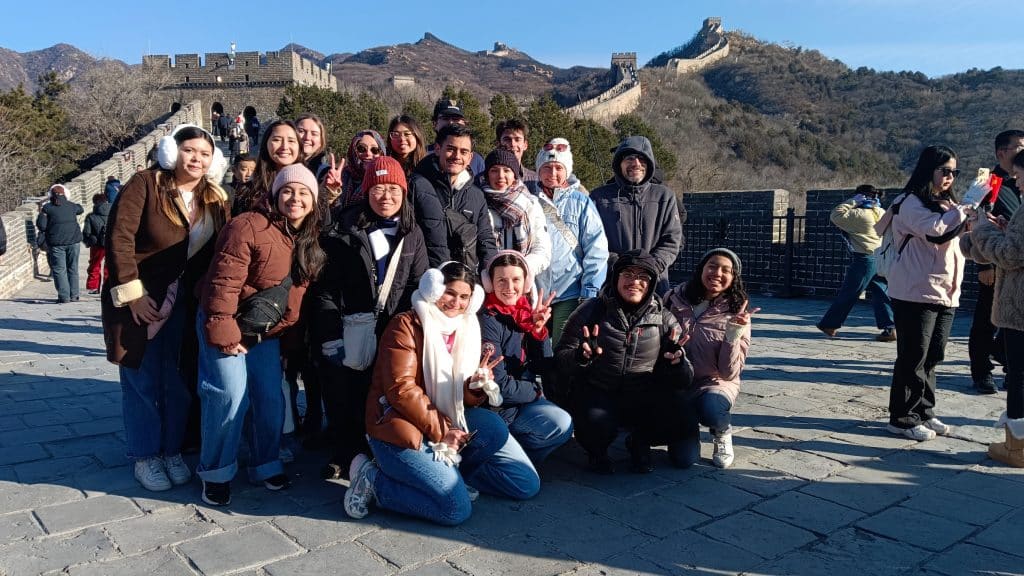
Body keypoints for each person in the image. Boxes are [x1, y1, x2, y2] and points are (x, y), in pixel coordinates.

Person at [344, 262, 541, 524]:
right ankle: (374, 481)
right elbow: (401, 390)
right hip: (399, 427)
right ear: (433, 288)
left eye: (464, 297)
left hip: (445, 421)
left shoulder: (467, 326)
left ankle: (451, 477)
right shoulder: (406, 324)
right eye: (450, 292)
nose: (455, 303)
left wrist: (475, 387)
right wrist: (443, 430)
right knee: (455, 510)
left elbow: (463, 398)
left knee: (497, 435)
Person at [102, 124, 229, 492]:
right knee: (141, 379)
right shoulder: (146, 184)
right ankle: (145, 456)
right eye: (190, 150)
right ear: (172, 152)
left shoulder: (215, 199)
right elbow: (119, 237)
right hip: (140, 296)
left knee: (177, 379)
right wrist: (133, 294)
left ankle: (171, 449)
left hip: (184, 303)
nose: (197, 159)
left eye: (205, 154)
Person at [196, 164, 325, 506]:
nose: (294, 199)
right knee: (228, 393)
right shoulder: (247, 226)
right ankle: (217, 472)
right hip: (225, 319)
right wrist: (224, 331)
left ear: (313, 201)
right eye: (287, 191)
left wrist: (287, 343)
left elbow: (295, 300)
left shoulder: (309, 239)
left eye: (303, 193)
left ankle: (264, 462)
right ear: (274, 194)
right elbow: (221, 283)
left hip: (265, 333)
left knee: (270, 397)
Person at [312, 156, 428, 479]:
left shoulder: (411, 232)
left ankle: (372, 451)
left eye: (393, 188)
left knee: (377, 395)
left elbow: (417, 285)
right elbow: (325, 288)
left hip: (391, 329)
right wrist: (330, 333)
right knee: (343, 394)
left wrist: (408, 333)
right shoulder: (345, 227)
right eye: (377, 188)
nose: (385, 196)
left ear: (403, 192)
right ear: (366, 191)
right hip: (351, 326)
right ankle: (344, 454)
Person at [555, 250, 693, 474]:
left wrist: (676, 364)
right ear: (615, 277)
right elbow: (561, 358)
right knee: (593, 422)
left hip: (642, 392)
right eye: (628, 274)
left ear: (652, 283)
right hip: (601, 389)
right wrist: (580, 357)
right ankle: (597, 452)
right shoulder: (591, 311)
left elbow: (685, 379)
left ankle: (640, 441)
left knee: (682, 414)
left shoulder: (664, 318)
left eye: (643, 277)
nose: (635, 282)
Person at [874, 145, 971, 442]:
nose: (950, 177)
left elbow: (960, 239)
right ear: (928, 170)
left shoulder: (947, 203)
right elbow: (936, 232)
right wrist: (965, 210)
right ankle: (902, 418)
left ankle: (924, 410)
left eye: (954, 172)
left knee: (934, 355)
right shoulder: (910, 203)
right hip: (915, 290)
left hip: (946, 291)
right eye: (944, 171)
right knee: (912, 356)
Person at [479, 251, 573, 463]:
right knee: (524, 483)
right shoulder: (488, 319)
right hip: (496, 408)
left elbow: (544, 366)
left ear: (526, 283)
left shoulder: (524, 314)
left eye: (516, 280)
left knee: (562, 424)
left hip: (519, 402)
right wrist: (535, 391)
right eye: (501, 280)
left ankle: (520, 458)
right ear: (490, 283)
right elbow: (499, 387)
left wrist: (539, 331)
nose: (509, 287)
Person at [962, 149, 1024, 467]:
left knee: (1019, 375)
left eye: (1019, 174)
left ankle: (1017, 447)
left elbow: (1011, 256)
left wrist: (981, 227)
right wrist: (999, 229)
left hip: (1020, 306)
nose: (1015, 178)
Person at [666, 248, 755, 469]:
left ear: (733, 278)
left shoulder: (736, 311)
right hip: (677, 383)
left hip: (713, 383)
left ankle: (721, 430)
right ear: (701, 269)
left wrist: (733, 333)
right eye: (712, 266)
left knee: (712, 408)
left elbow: (729, 373)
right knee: (684, 460)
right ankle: (687, 427)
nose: (717, 273)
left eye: (726, 270)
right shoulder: (674, 298)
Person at [531, 138, 608, 344]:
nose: (553, 173)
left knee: (563, 351)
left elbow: (597, 249)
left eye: (558, 168)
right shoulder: (529, 200)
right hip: (533, 293)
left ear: (567, 170)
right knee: (535, 354)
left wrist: (590, 291)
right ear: (538, 169)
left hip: (570, 291)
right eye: (547, 167)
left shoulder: (581, 201)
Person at [590, 136, 684, 296]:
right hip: (612, 283)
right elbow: (591, 241)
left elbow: (672, 240)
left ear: (650, 164)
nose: (636, 163)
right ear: (619, 163)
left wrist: (649, 267)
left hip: (655, 284)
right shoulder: (599, 197)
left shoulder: (664, 196)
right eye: (629, 158)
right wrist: (620, 266)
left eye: (642, 158)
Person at [969, 130, 1024, 394]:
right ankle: (981, 372)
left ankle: (1009, 367)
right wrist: (984, 266)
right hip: (995, 260)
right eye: (1019, 147)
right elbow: (975, 221)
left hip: (1016, 267)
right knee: (985, 321)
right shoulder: (987, 183)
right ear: (1002, 152)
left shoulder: (1019, 181)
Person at [409, 123, 498, 270]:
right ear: (438, 149)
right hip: (424, 279)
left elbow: (485, 239)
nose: (457, 156)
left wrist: (490, 273)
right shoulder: (417, 186)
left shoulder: (476, 196)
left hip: (463, 281)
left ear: (470, 157)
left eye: (463, 152)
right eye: (451, 149)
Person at [816, 184, 896, 341]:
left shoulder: (858, 214)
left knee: (849, 292)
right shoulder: (880, 212)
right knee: (882, 293)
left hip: (864, 259)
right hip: (880, 257)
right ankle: (890, 328)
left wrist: (852, 201)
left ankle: (830, 324)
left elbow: (835, 215)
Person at [479, 148, 551, 277]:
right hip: (487, 279)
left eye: (506, 170)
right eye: (494, 170)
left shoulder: (530, 204)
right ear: (487, 174)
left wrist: (520, 270)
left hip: (523, 279)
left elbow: (542, 249)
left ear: (515, 174)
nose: (500, 176)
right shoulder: (478, 202)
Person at [232, 120, 303, 216]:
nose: (284, 146)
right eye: (277, 140)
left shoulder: (308, 185)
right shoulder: (249, 189)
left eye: (291, 141)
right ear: (266, 144)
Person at [37, 184, 84, 303]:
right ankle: (74, 295)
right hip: (74, 241)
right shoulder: (71, 206)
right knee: (73, 268)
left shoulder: (47, 208)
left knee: (59, 269)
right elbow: (80, 209)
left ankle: (64, 296)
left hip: (56, 243)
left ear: (51, 196)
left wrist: (42, 213)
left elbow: (42, 225)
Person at [431, 99, 485, 176]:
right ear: (435, 123)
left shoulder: (476, 160)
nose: (451, 122)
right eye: (445, 118)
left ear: (464, 123)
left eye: (456, 119)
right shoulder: (423, 154)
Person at [339, 130, 387, 208]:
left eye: (375, 150)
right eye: (361, 148)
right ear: (353, 150)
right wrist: (331, 192)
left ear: (381, 153)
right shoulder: (341, 176)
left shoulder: (386, 180)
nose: (368, 153)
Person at [82, 193, 110, 295]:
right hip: (112, 243)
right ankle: (108, 286)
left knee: (94, 265)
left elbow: (86, 232)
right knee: (109, 266)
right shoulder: (115, 212)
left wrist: (88, 241)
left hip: (97, 245)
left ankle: (93, 287)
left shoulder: (91, 216)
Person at [496, 119, 537, 187]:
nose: (512, 144)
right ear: (498, 144)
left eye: (517, 139)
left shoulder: (535, 180)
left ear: (525, 145)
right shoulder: (485, 179)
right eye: (507, 139)